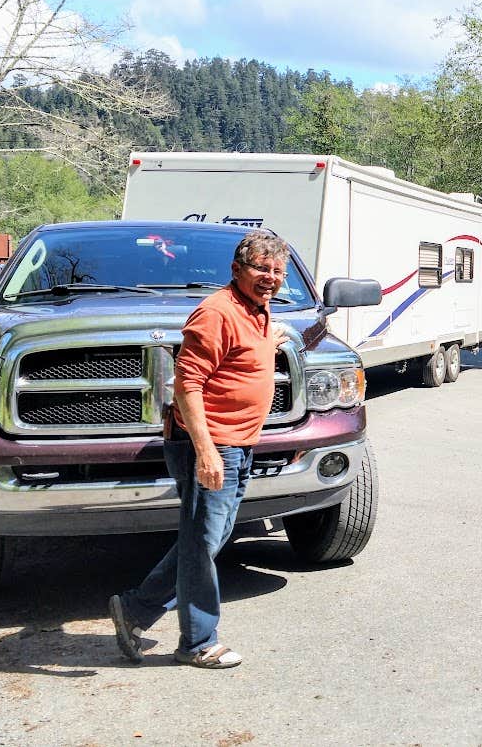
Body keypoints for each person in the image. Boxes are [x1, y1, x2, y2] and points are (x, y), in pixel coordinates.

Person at [109, 230, 290, 669]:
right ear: (235, 270)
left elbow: (236, 359)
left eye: (276, 271)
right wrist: (206, 453)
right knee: (202, 542)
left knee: (205, 539)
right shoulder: (215, 313)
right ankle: (197, 641)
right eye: (260, 269)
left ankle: (135, 610)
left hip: (240, 442)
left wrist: (270, 343)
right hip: (210, 444)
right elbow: (188, 385)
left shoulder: (256, 310)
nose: (269, 278)